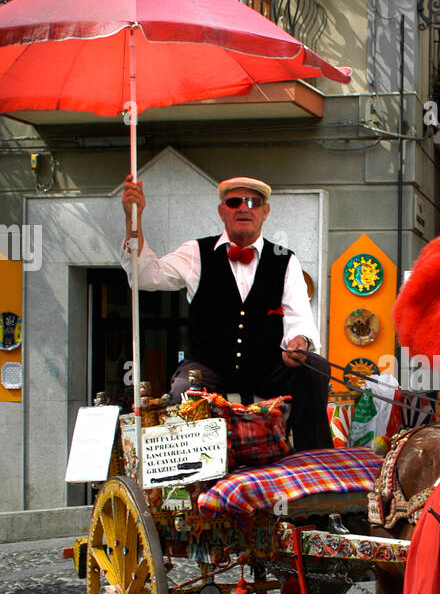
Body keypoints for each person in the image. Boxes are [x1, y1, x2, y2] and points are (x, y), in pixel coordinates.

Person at [121, 174, 332, 451]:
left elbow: (298, 317)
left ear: (265, 211)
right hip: (208, 368)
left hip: (266, 367)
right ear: (222, 211)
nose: (244, 208)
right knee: (183, 392)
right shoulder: (196, 252)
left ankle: (313, 461)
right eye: (234, 202)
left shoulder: (285, 258)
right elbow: (145, 276)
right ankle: (187, 474)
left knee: (314, 368)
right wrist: (133, 220)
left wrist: (299, 342)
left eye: (253, 202)